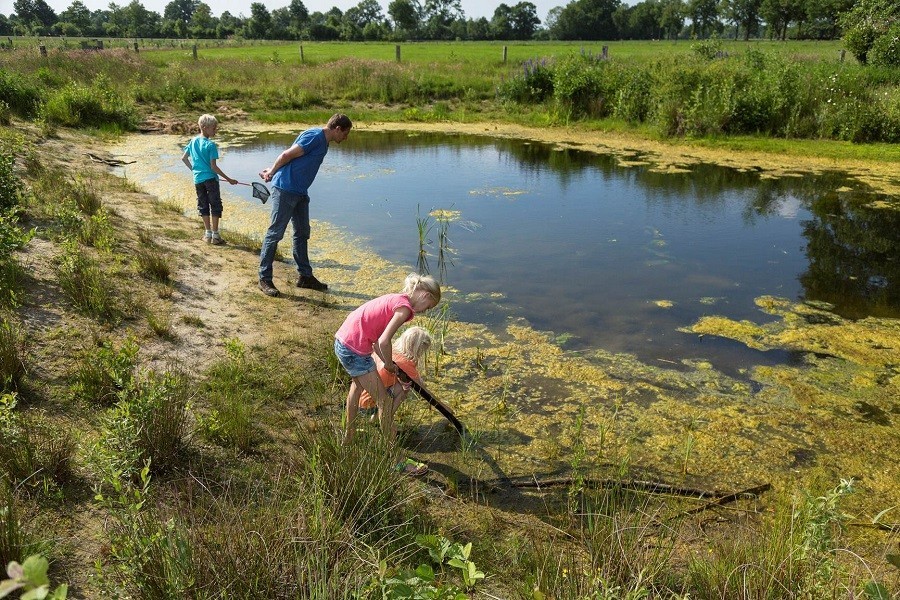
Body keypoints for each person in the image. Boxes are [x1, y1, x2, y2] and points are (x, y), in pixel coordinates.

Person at [334, 273, 441, 447]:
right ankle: (395, 458)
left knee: (356, 388)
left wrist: (385, 361)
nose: (424, 310)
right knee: (384, 401)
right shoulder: (404, 309)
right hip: (356, 349)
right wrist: (389, 364)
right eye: (428, 307)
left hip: (343, 341)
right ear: (425, 295)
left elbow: (376, 338)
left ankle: (349, 436)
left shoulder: (396, 299)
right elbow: (384, 341)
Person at [257, 113, 352, 297]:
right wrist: (271, 171)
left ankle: (305, 277)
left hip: (300, 192)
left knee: (302, 233)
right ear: (337, 128)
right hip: (285, 188)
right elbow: (286, 155)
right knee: (275, 233)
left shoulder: (323, 141)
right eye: (345, 133)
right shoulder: (315, 137)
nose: (346, 138)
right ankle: (264, 278)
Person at [358, 326, 433, 433]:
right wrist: (445, 408)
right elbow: (422, 389)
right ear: (417, 349)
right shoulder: (406, 363)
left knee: (395, 383)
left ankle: (374, 419)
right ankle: (386, 419)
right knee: (404, 388)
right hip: (370, 404)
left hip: (360, 402)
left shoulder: (386, 352)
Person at [181, 114, 237, 245]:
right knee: (215, 205)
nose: (215, 130)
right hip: (211, 180)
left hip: (198, 179)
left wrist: (194, 170)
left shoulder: (193, 141)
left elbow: (184, 158)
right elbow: (213, 167)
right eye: (214, 128)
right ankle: (216, 236)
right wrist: (229, 179)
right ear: (205, 128)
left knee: (203, 205)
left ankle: (207, 234)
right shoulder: (210, 145)